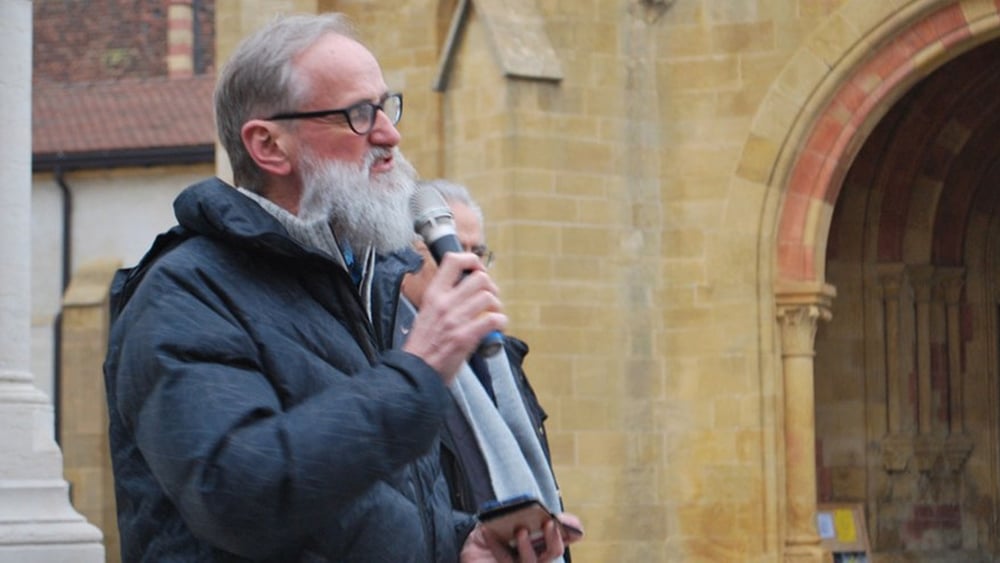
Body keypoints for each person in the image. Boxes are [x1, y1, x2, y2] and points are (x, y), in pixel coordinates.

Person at [102, 12, 578, 562]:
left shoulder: (362, 283)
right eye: (357, 114)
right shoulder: (186, 295)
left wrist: (457, 544)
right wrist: (418, 371)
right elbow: (239, 495)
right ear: (268, 146)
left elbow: (352, 510)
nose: (389, 134)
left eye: (386, 105)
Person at [385, 179, 578, 562]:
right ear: (403, 259)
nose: (468, 267)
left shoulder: (500, 355)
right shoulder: (388, 360)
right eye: (448, 251)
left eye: (477, 252)